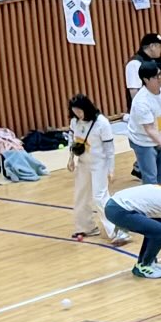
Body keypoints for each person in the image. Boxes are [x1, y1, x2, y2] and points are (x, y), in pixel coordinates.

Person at [66, 93, 121, 245]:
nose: (77, 114)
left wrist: (111, 169)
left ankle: (117, 231)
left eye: (79, 111)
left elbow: (109, 149)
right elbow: (73, 140)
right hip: (83, 163)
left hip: (99, 164)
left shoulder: (101, 123)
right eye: (74, 111)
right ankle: (86, 226)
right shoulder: (74, 122)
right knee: (80, 196)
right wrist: (71, 158)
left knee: (100, 197)